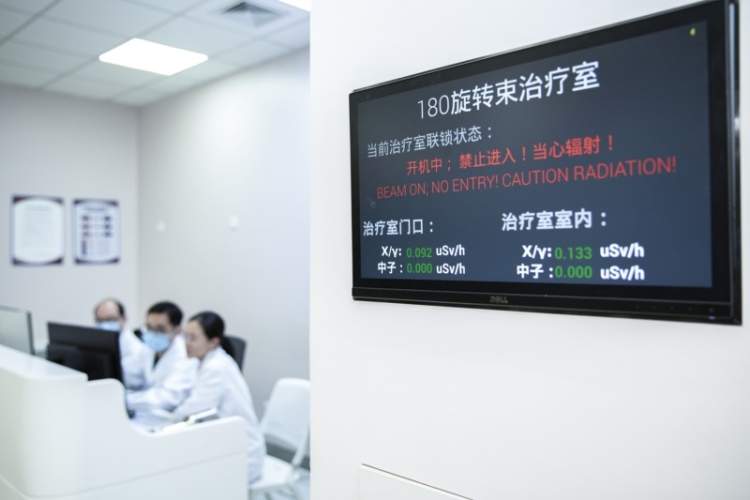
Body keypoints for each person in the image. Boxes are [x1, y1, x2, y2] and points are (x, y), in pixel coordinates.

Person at [172, 311, 265, 485]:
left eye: (193, 338)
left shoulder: (217, 368)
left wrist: (172, 416)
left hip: (241, 454)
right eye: (185, 336)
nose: (186, 343)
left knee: (182, 475)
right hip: (222, 443)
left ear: (213, 342)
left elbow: (192, 410)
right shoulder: (203, 361)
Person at [126, 301, 197, 414]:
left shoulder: (186, 356)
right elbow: (133, 376)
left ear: (177, 330)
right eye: (149, 327)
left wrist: (127, 400)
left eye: (160, 329)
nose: (153, 333)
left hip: (169, 415)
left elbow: (168, 398)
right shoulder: (147, 348)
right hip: (146, 410)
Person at [94, 298, 151, 390]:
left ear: (124, 318)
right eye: (100, 320)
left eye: (110, 319)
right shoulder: (96, 344)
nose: (105, 324)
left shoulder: (138, 349)